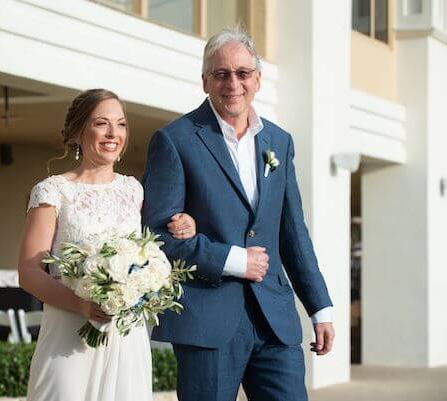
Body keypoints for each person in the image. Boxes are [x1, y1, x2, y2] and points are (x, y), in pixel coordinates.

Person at [142, 27, 335, 401]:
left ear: (257, 80)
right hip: (206, 322)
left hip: (275, 323)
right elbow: (156, 238)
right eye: (221, 74)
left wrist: (320, 307)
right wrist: (232, 260)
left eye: (242, 73)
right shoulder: (175, 140)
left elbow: (293, 233)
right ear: (204, 82)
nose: (233, 83)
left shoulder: (279, 141)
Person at [18, 89, 196, 401]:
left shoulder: (134, 190)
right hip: (68, 336)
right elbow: (29, 272)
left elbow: (158, 241)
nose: (114, 133)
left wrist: (187, 225)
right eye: (102, 123)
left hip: (126, 338)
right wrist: (82, 304)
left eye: (121, 124)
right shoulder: (52, 192)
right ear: (77, 131)